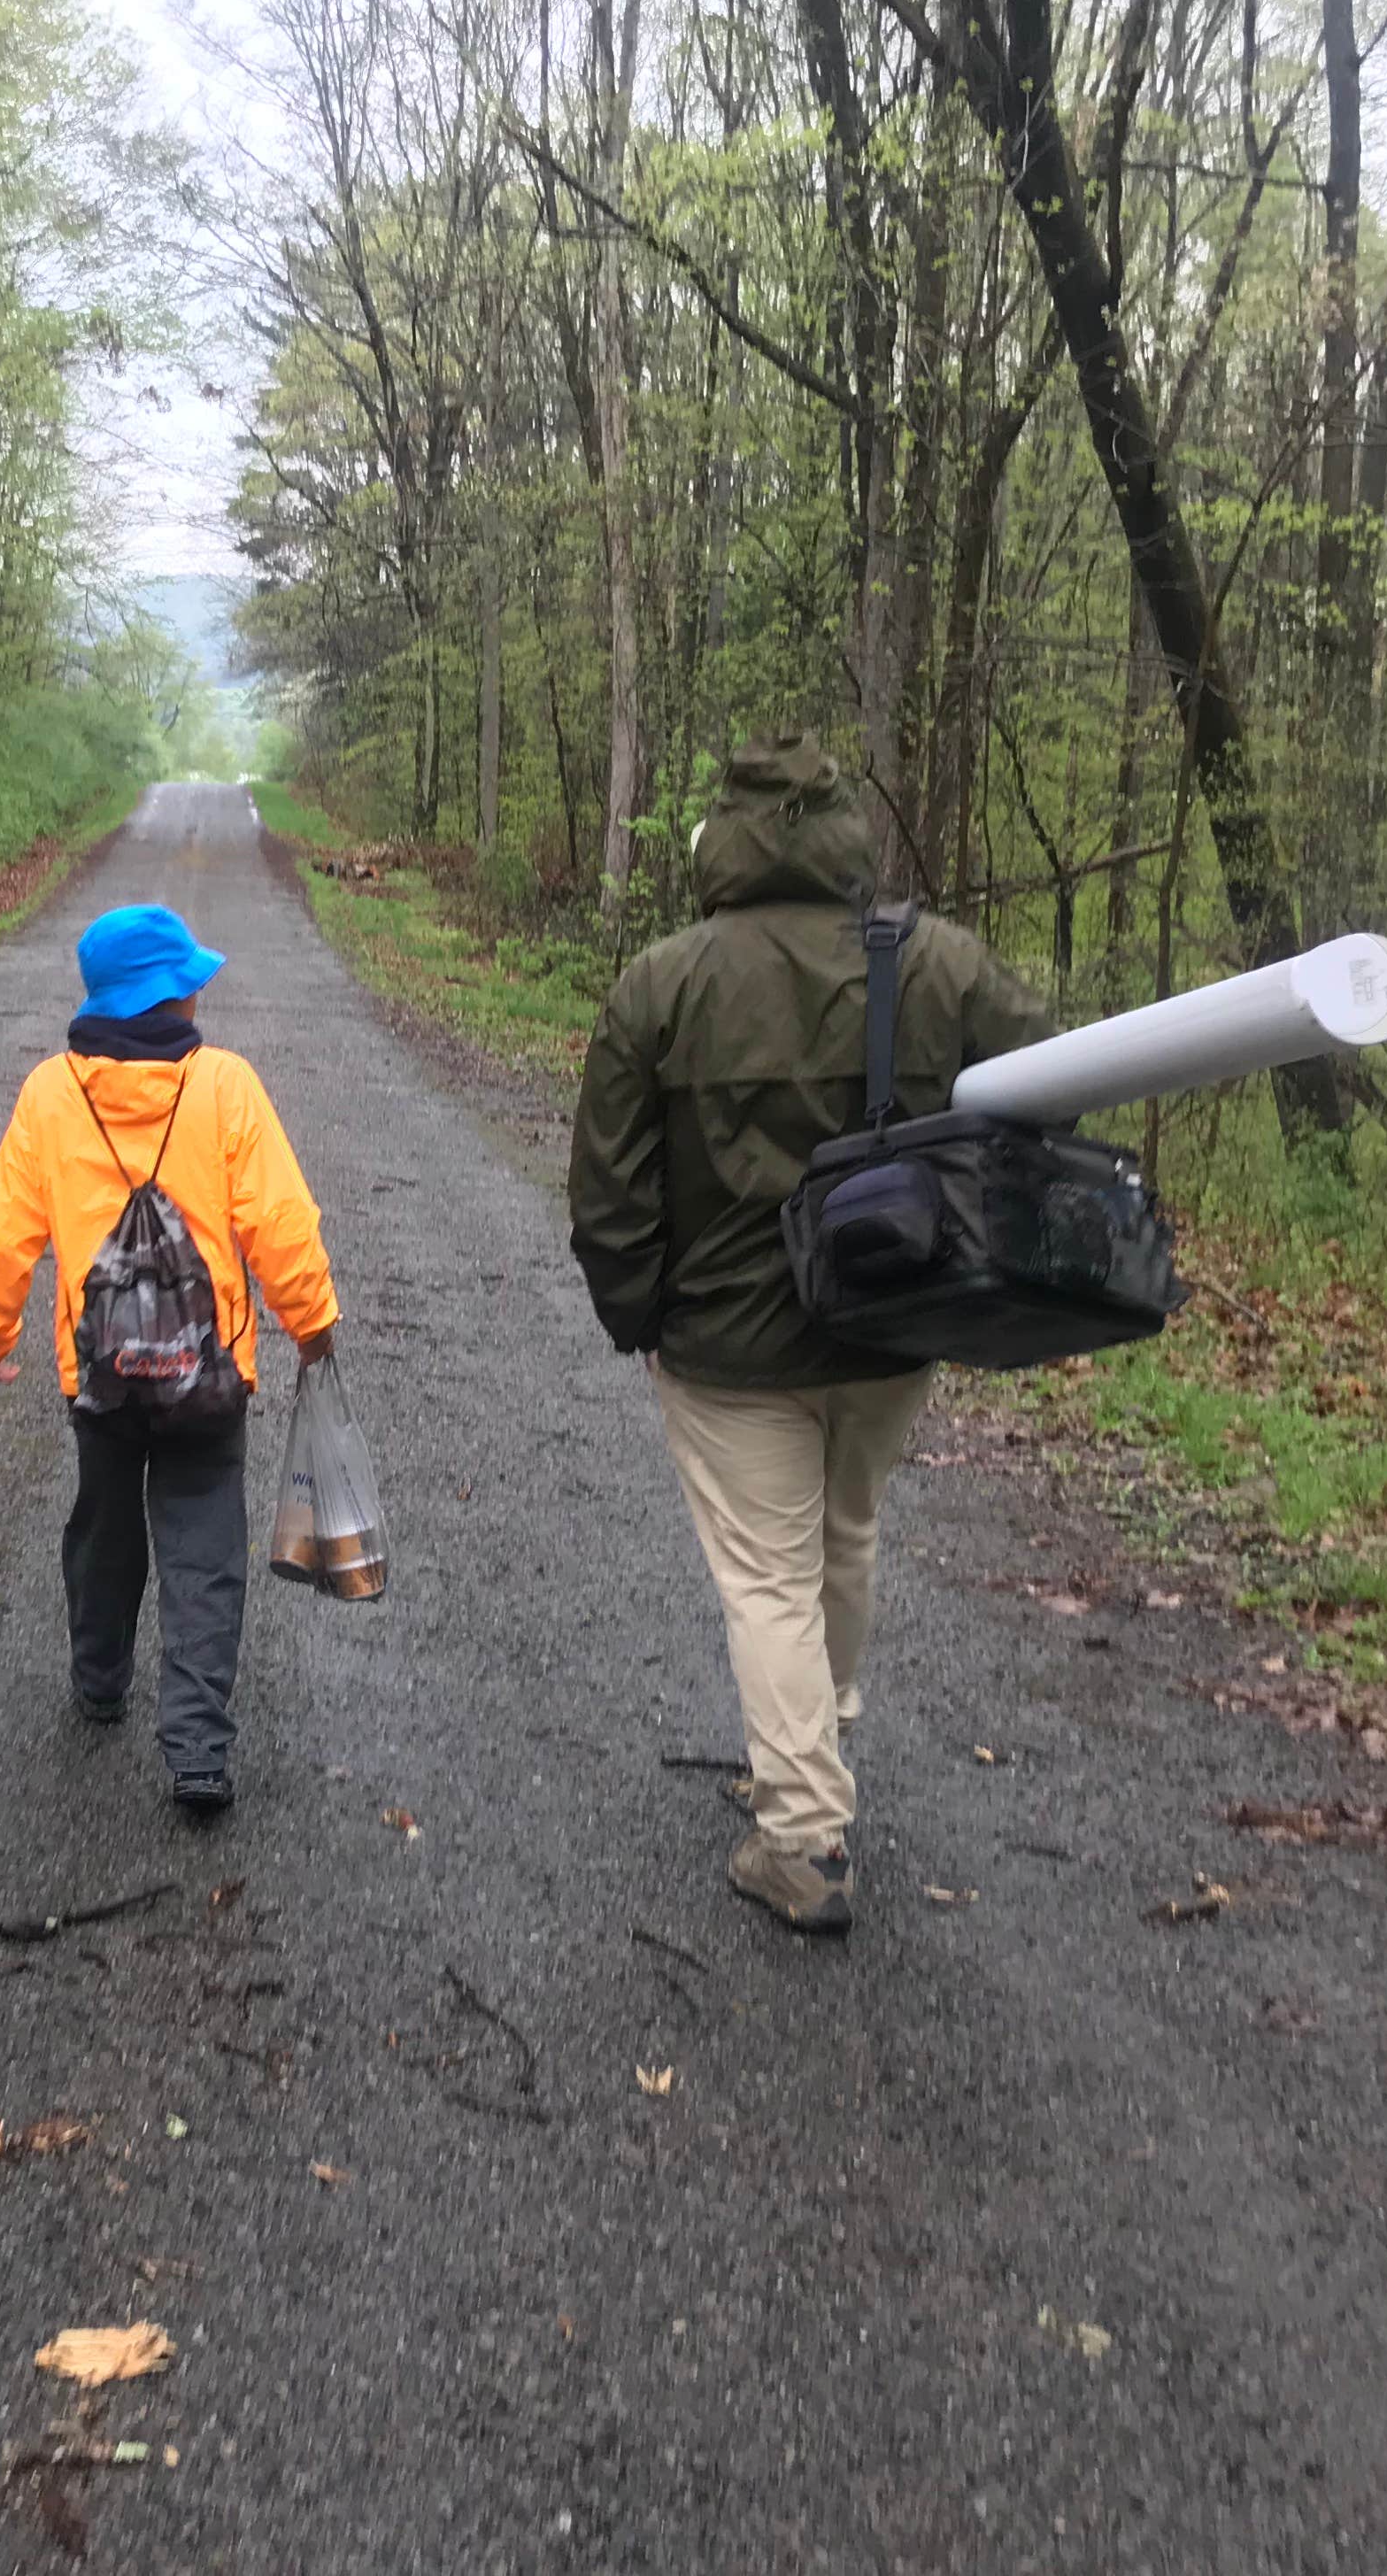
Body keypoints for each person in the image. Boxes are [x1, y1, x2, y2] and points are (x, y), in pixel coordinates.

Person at [568, 737, 1047, 1932]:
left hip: (729, 1350)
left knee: (768, 1578)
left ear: (724, 839)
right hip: (892, 1329)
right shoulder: (937, 963)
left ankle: (802, 1837)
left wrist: (641, 1320)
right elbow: (1054, 1081)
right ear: (841, 835)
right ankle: (814, 1748)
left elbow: (611, 1192)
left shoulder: (664, 982)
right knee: (844, 1535)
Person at [0, 904, 340, 1812]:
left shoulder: (53, 1092)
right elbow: (279, 1223)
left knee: (105, 1524)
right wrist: (312, 1320)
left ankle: (99, 1680)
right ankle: (198, 1750)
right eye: (192, 978)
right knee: (204, 1545)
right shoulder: (225, 1087)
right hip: (209, 1376)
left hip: (102, 1375)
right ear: (174, 994)